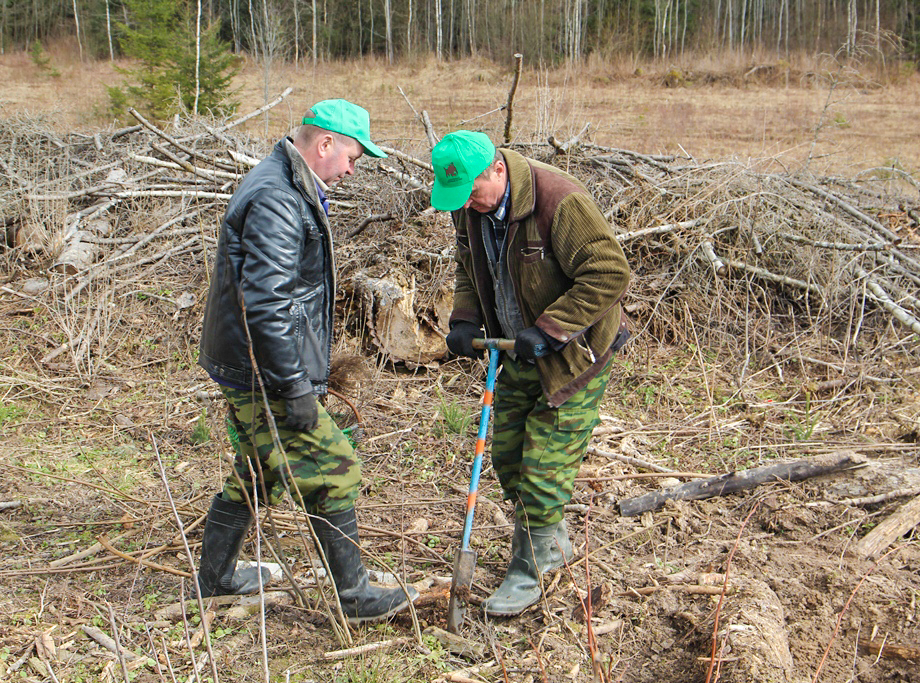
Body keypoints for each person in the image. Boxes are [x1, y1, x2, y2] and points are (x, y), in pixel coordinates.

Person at [195, 99, 417, 624]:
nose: (350, 170)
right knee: (336, 467)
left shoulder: (288, 184)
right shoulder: (277, 196)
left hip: (251, 363)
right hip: (262, 370)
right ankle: (355, 597)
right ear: (325, 145)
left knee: (259, 468)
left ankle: (216, 578)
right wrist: (294, 385)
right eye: (352, 158)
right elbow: (267, 302)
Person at [431, 130, 630, 617]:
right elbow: (466, 264)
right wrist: (464, 318)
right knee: (509, 459)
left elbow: (610, 272)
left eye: (472, 194)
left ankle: (532, 569)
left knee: (543, 469)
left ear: (497, 169)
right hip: (515, 348)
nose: (468, 207)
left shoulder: (559, 202)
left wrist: (552, 328)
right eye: (459, 200)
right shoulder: (471, 206)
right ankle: (550, 541)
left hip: (572, 352)